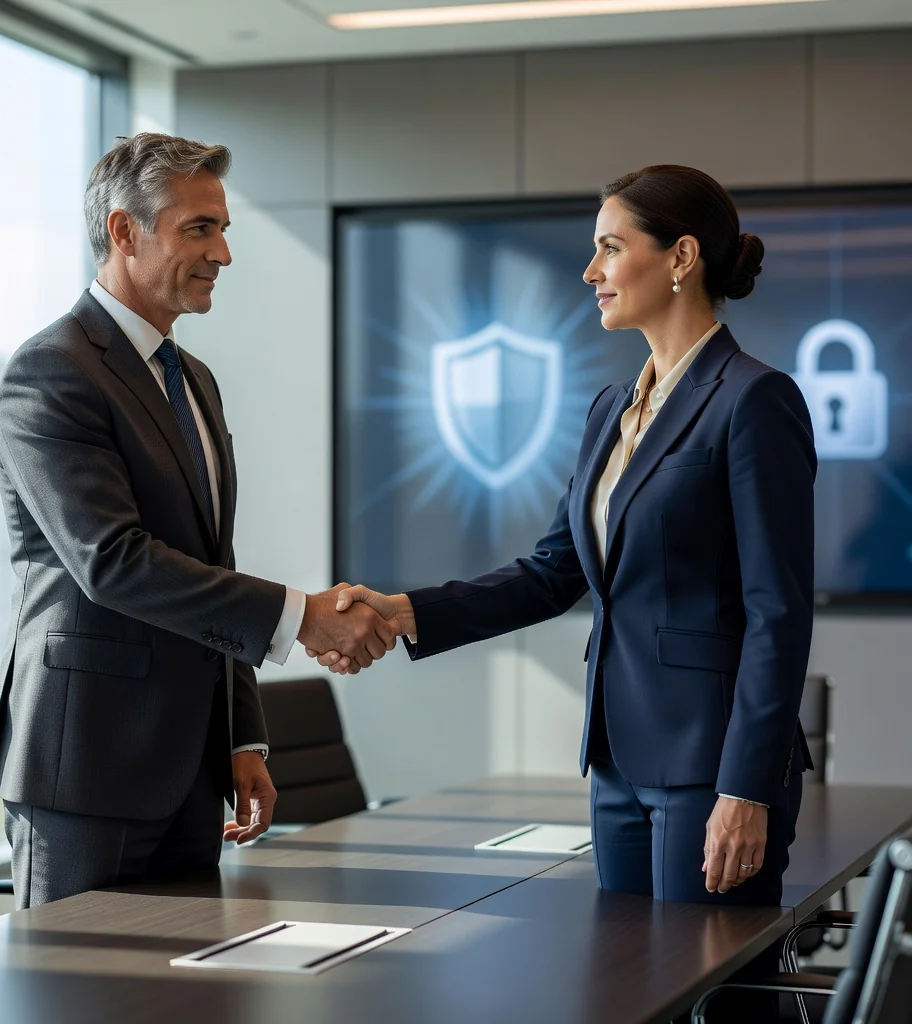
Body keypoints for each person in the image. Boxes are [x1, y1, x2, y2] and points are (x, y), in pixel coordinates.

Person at [312, 165, 816, 1020]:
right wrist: (405, 612)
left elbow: (778, 612)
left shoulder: (754, 400)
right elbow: (555, 572)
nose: (591, 272)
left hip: (710, 771)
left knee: (715, 1005)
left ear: (682, 257)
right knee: (625, 998)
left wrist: (747, 788)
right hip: (616, 762)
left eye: (610, 248)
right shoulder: (610, 409)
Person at [0, 133, 397, 909]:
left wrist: (240, 735)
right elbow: (113, 562)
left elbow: (212, 556)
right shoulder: (50, 372)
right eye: (199, 228)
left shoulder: (192, 378)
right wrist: (301, 616)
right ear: (123, 231)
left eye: (223, 228)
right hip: (85, 773)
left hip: (190, 774)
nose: (223, 254)